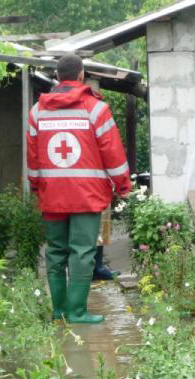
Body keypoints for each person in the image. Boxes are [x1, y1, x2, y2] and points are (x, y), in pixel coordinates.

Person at [27, 53, 131, 324]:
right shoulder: (96, 109)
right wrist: (122, 184)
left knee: (55, 251)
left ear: (57, 78)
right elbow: (113, 152)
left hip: (52, 196)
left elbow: (33, 158)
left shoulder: (37, 111)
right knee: (82, 252)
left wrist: (37, 186)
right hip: (87, 195)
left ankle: (58, 310)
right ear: (82, 75)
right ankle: (77, 312)